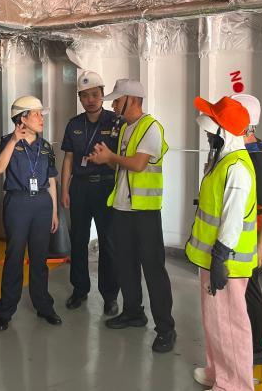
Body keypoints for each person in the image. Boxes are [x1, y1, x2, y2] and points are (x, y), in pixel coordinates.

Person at [88, 79, 177, 353]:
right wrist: (105, 158)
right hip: (122, 209)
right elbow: (122, 166)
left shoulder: (151, 127)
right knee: (125, 264)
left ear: (133, 100)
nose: (114, 106)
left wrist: (110, 157)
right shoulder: (127, 128)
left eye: (117, 100)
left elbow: (138, 165)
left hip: (144, 212)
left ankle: (166, 329)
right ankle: (133, 312)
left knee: (153, 270)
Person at [185, 96, 256, 391]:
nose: (206, 136)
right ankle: (218, 372)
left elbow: (233, 219)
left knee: (229, 324)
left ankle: (235, 385)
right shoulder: (223, 161)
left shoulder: (236, 167)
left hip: (227, 261)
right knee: (215, 321)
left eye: (210, 131)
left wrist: (220, 258)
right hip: (212, 257)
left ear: (223, 133)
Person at [0, 95, 62, 331]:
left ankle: (44, 306)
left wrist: (54, 212)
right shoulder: (8, 142)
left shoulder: (46, 146)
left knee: (39, 258)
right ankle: (5, 311)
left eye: (41, 114)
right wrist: (14, 140)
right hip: (18, 203)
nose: (41, 118)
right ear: (22, 118)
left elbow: (51, 180)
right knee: (14, 256)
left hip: (42, 204)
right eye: (36, 114)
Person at [61, 71, 120, 316]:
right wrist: (64, 189)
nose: (91, 100)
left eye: (95, 94)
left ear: (103, 94)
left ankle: (110, 295)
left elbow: (121, 158)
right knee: (78, 240)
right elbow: (68, 159)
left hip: (106, 186)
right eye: (85, 96)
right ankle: (79, 289)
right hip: (80, 187)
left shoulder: (115, 122)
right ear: (80, 98)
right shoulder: (74, 124)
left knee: (109, 242)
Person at [231, 93, 262, 367]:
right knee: (244, 290)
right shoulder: (248, 150)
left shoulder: (257, 157)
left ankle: (256, 349)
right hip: (244, 234)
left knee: (250, 290)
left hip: (251, 237)